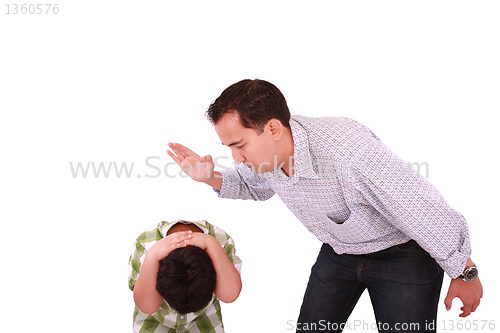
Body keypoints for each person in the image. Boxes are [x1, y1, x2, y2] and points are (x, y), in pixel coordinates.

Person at [167, 79, 483, 332]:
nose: (237, 158)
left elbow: (421, 207)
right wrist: (211, 178)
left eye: (240, 145)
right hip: (341, 251)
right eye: (229, 147)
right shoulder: (272, 155)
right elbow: (257, 186)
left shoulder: (349, 152)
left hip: (402, 253)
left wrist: (464, 271)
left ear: (273, 128)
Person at [128, 219, 242, 333]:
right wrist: (152, 257)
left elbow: (229, 294)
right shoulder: (146, 244)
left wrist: (211, 243)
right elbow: (147, 306)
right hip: (156, 316)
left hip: (203, 315)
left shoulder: (220, 241)